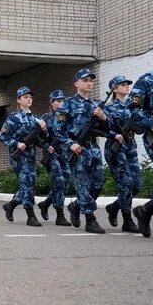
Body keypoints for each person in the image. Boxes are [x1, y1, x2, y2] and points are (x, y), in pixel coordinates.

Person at [55, 68, 111, 234]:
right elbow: (58, 130)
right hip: (77, 149)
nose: (89, 83)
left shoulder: (95, 105)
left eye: (90, 80)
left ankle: (76, 205)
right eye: (85, 80)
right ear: (76, 83)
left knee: (99, 183)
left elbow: (108, 129)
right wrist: (70, 143)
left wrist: (104, 118)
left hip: (93, 148)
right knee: (83, 183)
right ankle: (90, 219)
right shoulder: (68, 104)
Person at [130, 40, 153, 238]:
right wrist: (152, 124)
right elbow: (132, 110)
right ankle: (146, 211)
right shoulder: (147, 80)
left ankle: (146, 210)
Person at [0, 87, 48, 227]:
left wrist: (44, 130)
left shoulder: (36, 119)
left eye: (30, 97)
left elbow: (41, 138)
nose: (29, 99)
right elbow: (2, 136)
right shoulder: (14, 117)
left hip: (31, 156)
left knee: (29, 185)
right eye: (25, 97)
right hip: (18, 156)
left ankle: (11, 205)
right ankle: (30, 216)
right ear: (18, 100)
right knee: (26, 184)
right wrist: (16, 143)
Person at [103, 75, 141, 233]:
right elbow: (104, 128)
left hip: (130, 144)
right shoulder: (109, 108)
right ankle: (127, 220)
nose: (126, 86)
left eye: (127, 84)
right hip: (116, 146)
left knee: (137, 185)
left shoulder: (132, 106)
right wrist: (114, 135)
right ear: (115, 88)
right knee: (126, 183)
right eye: (122, 84)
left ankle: (114, 207)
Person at [37, 90, 72, 226]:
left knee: (65, 183)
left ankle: (45, 204)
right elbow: (37, 137)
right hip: (51, 155)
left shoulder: (68, 117)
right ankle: (60, 215)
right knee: (59, 182)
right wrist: (46, 144)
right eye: (57, 100)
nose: (61, 103)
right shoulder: (45, 119)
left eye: (62, 100)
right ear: (51, 103)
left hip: (65, 154)